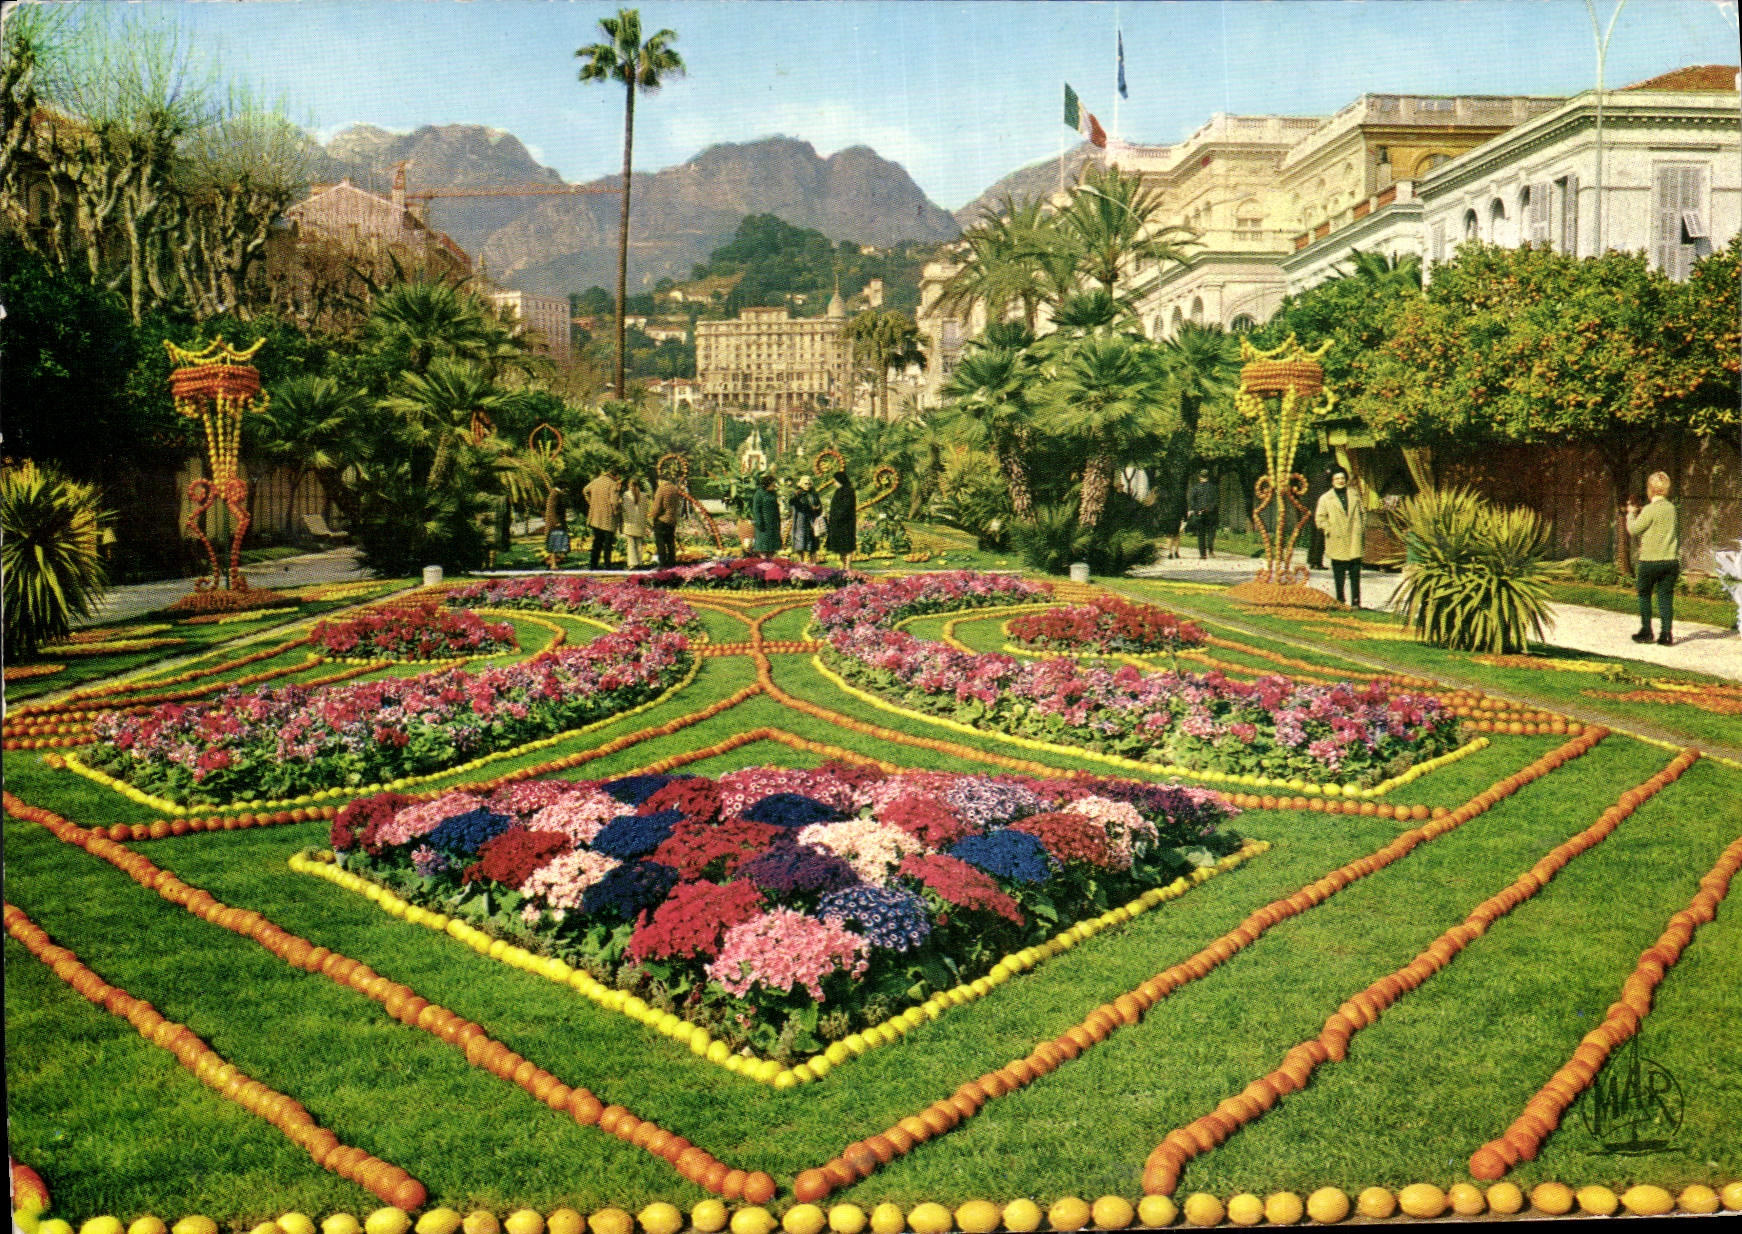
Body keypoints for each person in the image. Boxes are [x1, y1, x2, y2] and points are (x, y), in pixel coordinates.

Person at [1627, 472, 1680, 646]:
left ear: (1650, 489)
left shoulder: (1649, 510)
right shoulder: (1671, 509)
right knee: (1665, 596)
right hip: (1670, 560)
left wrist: (1631, 513)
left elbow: (1634, 529)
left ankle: (1646, 631)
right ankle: (1666, 633)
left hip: (1649, 560)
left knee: (1644, 594)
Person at [1315, 468, 1366, 607]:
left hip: (1354, 540)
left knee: (1355, 574)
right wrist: (1328, 529)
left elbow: (1363, 513)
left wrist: (1360, 529)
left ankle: (1356, 602)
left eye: (1342, 478)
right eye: (1337, 479)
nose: (1340, 481)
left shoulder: (1355, 495)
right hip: (1337, 540)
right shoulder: (1325, 498)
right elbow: (1320, 518)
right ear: (1332, 481)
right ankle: (1340, 600)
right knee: (1339, 574)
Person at [583, 467, 621, 571]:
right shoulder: (613, 484)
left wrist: (591, 503)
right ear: (615, 475)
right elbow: (614, 502)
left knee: (597, 542)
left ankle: (593, 564)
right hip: (608, 517)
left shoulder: (596, 481)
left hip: (595, 516)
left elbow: (585, 490)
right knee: (608, 543)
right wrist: (617, 512)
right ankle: (607, 565)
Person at [650, 471, 683, 568]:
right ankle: (671, 562)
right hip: (672, 519)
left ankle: (662, 563)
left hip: (662, 520)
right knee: (670, 542)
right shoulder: (674, 489)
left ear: (660, 480)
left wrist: (653, 516)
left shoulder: (661, 489)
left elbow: (657, 507)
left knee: (660, 542)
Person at [825, 468, 857, 571]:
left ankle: (847, 567)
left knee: (847, 546)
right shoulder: (838, 491)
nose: (834, 483)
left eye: (835, 481)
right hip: (837, 524)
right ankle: (842, 566)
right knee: (840, 546)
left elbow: (846, 507)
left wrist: (837, 516)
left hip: (846, 523)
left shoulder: (848, 491)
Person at [1186, 470, 1219, 560]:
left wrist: (1197, 510)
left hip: (1199, 514)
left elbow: (1192, 501)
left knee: (1201, 534)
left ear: (1200, 477)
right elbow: (1216, 501)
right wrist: (1209, 509)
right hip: (1210, 513)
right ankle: (1211, 550)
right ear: (1208, 477)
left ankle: (1202, 554)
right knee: (1211, 532)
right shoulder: (1214, 488)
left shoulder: (1195, 488)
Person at [1306, 466, 1335, 570]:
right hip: (1321, 513)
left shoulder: (1316, 479)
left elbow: (1309, 495)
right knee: (1320, 538)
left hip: (1313, 511)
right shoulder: (1328, 482)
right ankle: (1317, 562)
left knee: (1313, 537)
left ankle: (1311, 560)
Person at [790, 475, 823, 564]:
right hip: (800, 520)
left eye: (809, 484)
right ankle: (801, 563)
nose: (807, 485)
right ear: (801, 484)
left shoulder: (814, 494)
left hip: (812, 520)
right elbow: (795, 506)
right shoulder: (797, 493)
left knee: (812, 542)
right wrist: (809, 507)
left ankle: (813, 564)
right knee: (801, 541)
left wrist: (817, 509)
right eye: (805, 483)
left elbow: (820, 506)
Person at [619, 478, 649, 570]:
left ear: (629, 485)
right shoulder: (644, 495)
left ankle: (632, 563)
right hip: (640, 522)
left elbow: (625, 510)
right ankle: (639, 562)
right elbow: (645, 509)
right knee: (639, 544)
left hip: (630, 523)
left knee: (631, 544)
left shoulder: (626, 495)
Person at [750, 473, 782, 556]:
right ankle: (763, 566)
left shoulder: (773, 493)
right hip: (763, 524)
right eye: (773, 484)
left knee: (772, 548)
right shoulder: (759, 494)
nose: (774, 486)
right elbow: (756, 509)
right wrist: (759, 522)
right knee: (763, 548)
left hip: (773, 524)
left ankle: (771, 566)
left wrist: (778, 520)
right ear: (767, 484)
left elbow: (776, 507)